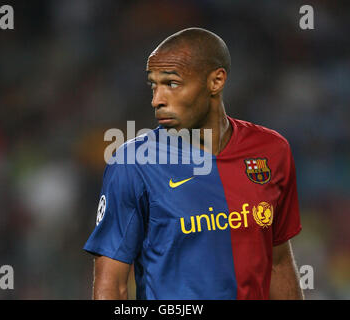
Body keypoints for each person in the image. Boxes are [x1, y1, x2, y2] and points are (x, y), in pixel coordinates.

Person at [83, 27, 303, 300]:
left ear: (216, 81)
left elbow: (278, 261)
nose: (157, 100)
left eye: (171, 84)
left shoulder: (272, 151)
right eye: (154, 85)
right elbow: (111, 286)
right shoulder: (133, 164)